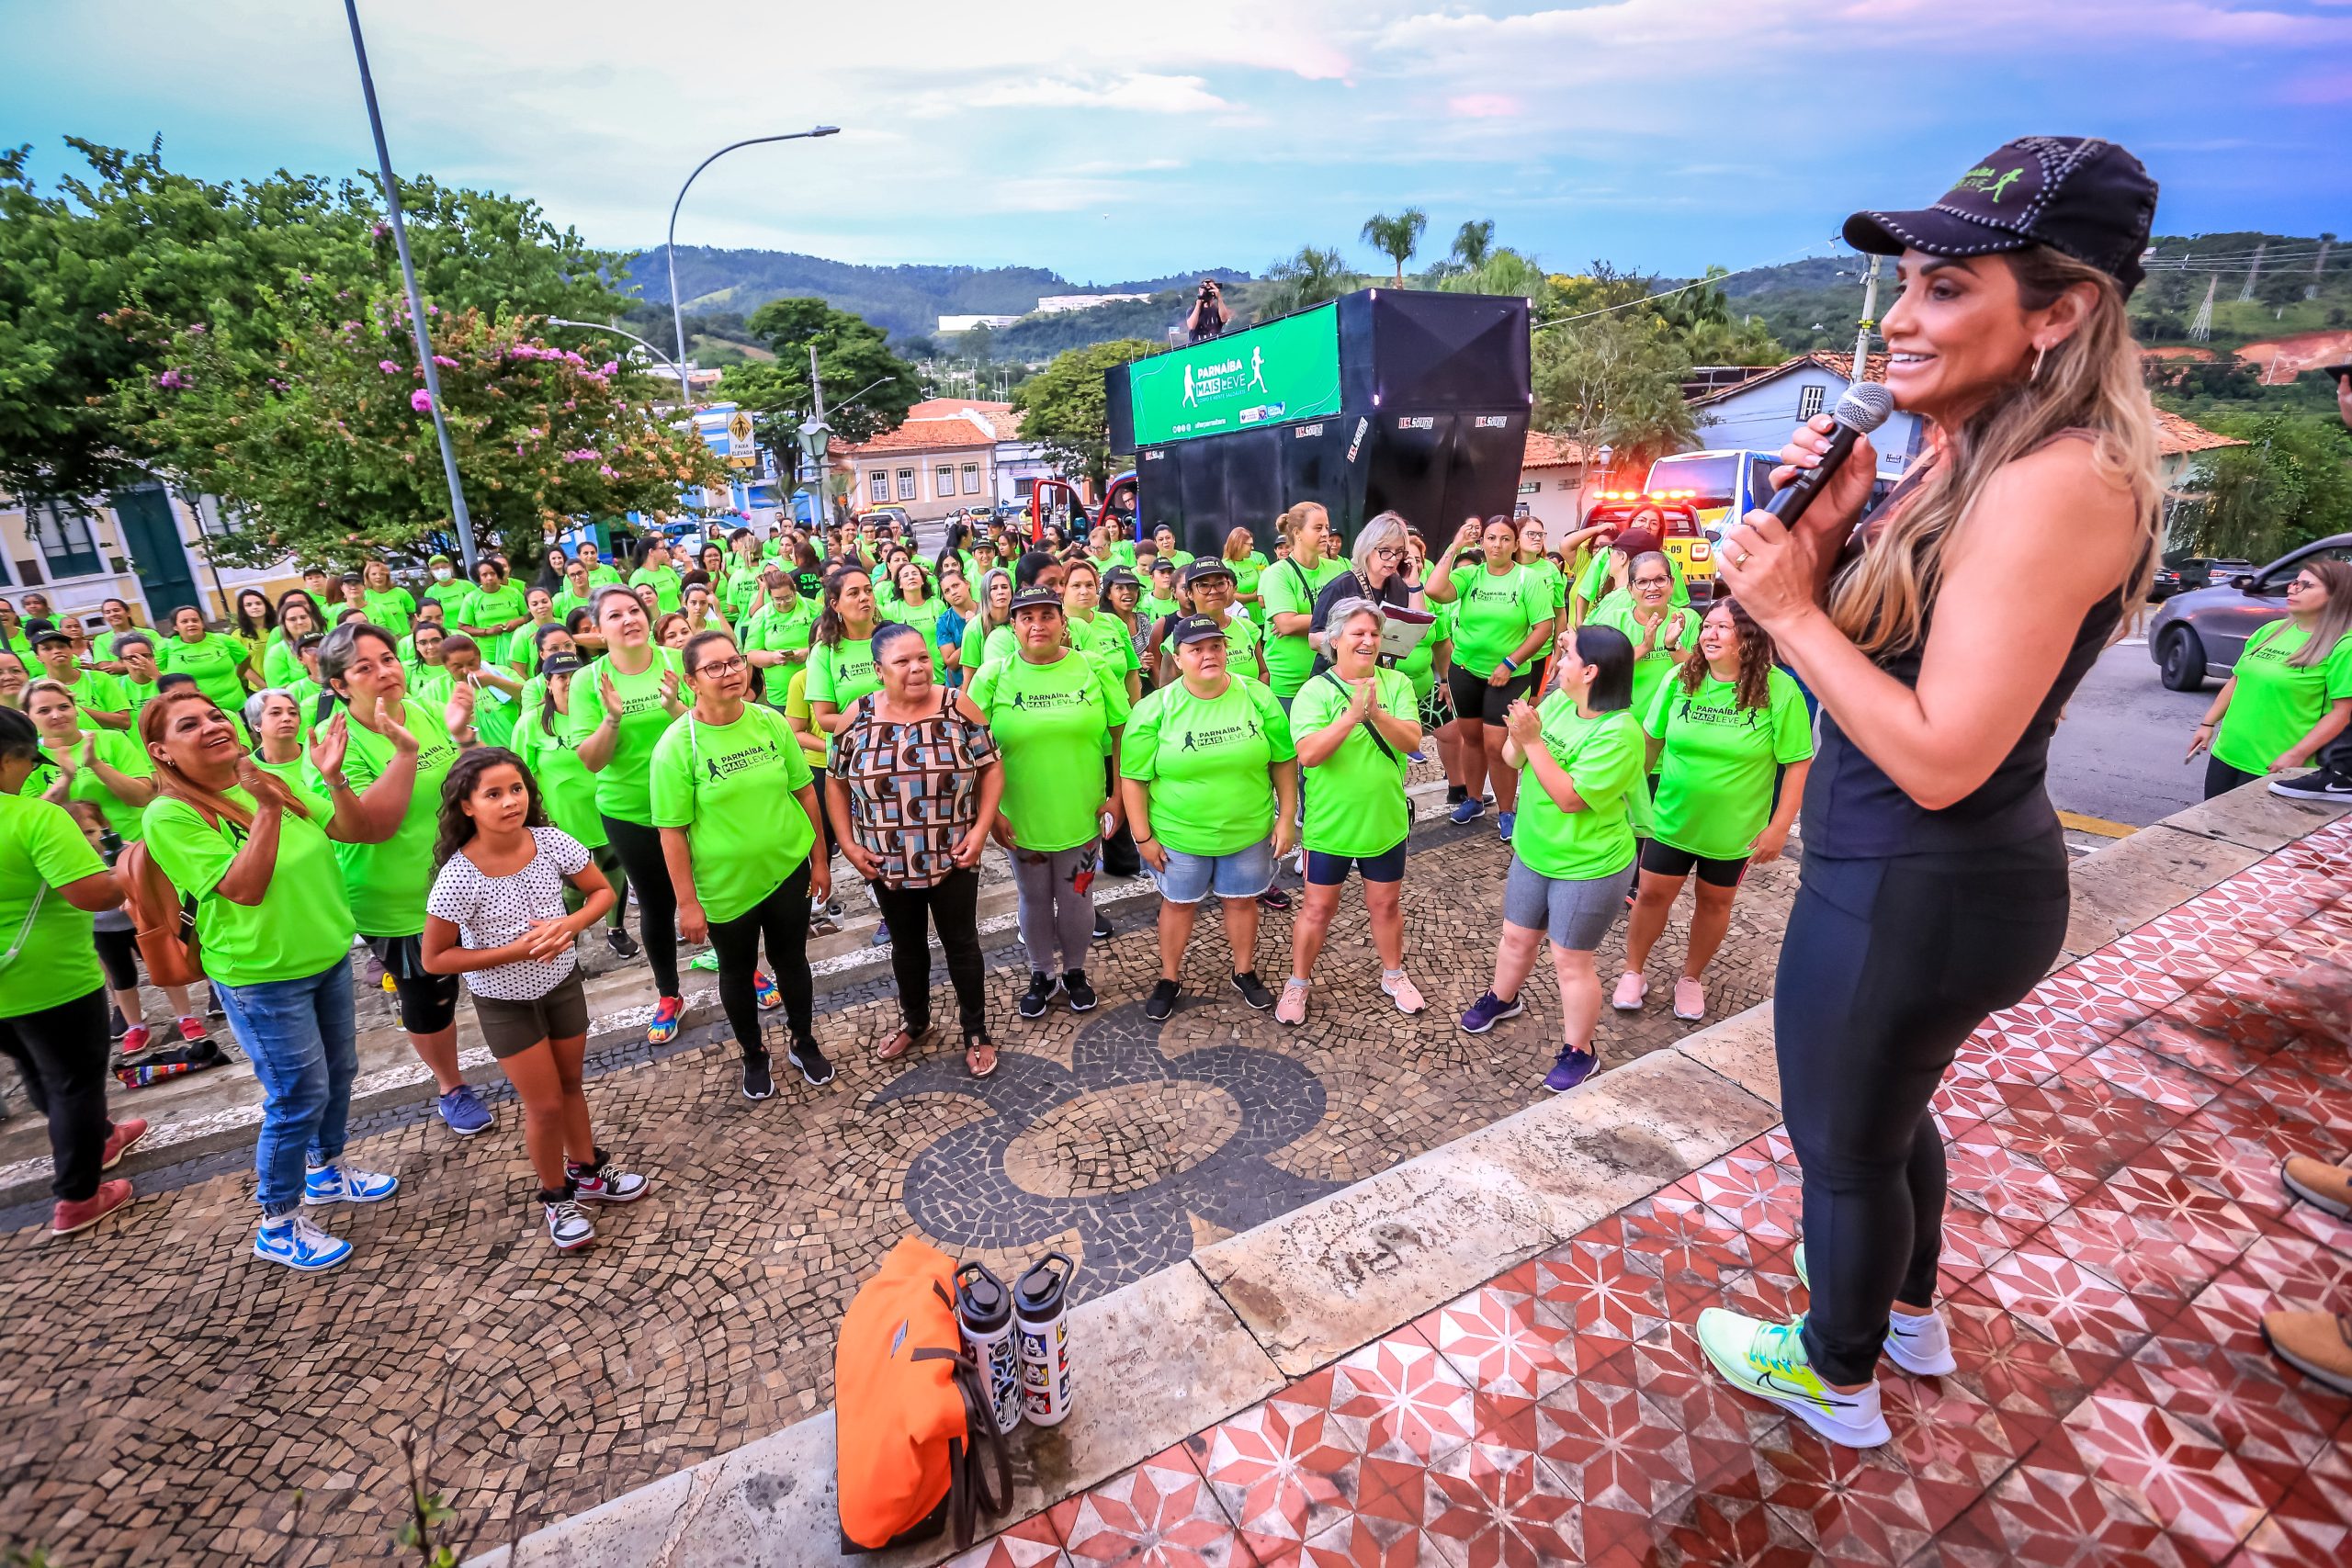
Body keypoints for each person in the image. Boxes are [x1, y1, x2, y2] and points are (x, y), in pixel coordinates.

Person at [1692, 138, 2166, 1450]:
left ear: (2060, 311)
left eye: (1948, 286)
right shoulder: (1968, 451)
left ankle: (1831, 1371)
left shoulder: (2057, 478)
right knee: (1889, 1116)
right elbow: (1903, 643)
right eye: (1906, 282)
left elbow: (1943, 749)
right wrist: (1835, 525)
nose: (1900, 317)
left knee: (1842, 1140)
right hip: (1918, 881)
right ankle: (1905, 1311)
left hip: (1918, 880)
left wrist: (1789, 610)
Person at [142, 688, 413, 1270]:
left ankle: (328, 1171)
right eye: (189, 725)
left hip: (325, 955)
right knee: (296, 1096)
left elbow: (355, 830)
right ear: (162, 751)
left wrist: (334, 779)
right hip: (259, 975)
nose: (212, 725)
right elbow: (243, 887)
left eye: (215, 715)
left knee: (339, 1072)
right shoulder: (170, 813)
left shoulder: (262, 777)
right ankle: (278, 1220)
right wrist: (265, 808)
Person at [422, 749, 648, 1250]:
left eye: (517, 789)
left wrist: (569, 924)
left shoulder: (549, 842)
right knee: (543, 1106)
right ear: (466, 806)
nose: (510, 802)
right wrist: (510, 951)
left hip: (562, 986)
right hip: (506, 1005)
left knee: (571, 1085)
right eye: (493, 794)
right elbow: (435, 959)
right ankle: (555, 1197)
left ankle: (588, 1170)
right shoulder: (458, 876)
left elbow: (602, 894)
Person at [310, 623, 493, 1136]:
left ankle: (522, 1059)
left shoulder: (425, 711)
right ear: (340, 686)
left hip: (467, 882)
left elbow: (459, 785)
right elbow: (372, 826)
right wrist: (405, 754)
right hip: (397, 901)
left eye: (388, 658)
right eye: (364, 667)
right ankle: (451, 1086)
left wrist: (460, 736)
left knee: (494, 974)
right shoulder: (334, 744)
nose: (385, 672)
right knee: (430, 998)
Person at [1457, 626, 1643, 1097]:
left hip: (1589, 865)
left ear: (1592, 672)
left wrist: (1534, 740)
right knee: (1516, 936)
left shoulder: (1621, 733)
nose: (1558, 664)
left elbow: (1569, 798)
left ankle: (1580, 1052)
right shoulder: (1560, 700)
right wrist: (1522, 734)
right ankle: (1503, 998)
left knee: (1570, 959)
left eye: (1568, 657)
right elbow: (1509, 757)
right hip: (1534, 848)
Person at [652, 631, 832, 1097]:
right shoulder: (677, 746)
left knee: (792, 959)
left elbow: (804, 791)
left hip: (787, 867)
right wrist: (686, 903)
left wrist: (819, 860)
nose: (730, 672)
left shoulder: (770, 723)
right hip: (726, 885)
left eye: (734, 662)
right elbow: (671, 831)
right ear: (691, 681)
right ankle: (754, 1053)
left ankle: (803, 1039)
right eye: (715, 667)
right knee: (736, 970)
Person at [1617, 599, 1813, 1022]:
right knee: (1651, 895)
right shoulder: (1680, 678)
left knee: (1714, 902)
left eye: (1722, 627)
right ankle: (1633, 971)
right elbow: (1650, 744)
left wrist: (1779, 828)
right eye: (1706, 626)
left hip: (1734, 829)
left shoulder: (1780, 690)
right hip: (1671, 818)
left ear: (1750, 636)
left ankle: (1690, 978)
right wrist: (1628, 799)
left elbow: (1797, 763)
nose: (1709, 634)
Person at [829, 622, 1005, 1075]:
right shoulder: (857, 716)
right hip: (885, 860)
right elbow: (835, 782)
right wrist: (848, 844)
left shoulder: (957, 706)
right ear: (878, 669)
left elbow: (992, 769)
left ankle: (975, 1031)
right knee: (906, 947)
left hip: (954, 855)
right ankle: (916, 1021)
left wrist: (980, 831)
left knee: (962, 944)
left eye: (923, 658)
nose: (917, 668)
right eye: (902, 661)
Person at [0, 707, 145, 1237]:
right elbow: (92, 894)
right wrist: (119, 873)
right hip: (51, 978)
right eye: (24, 762)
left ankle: (102, 1136)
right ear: (6, 760)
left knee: (37, 1072)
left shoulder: (32, 814)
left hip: (6, 995)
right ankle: (78, 1196)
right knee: (74, 1084)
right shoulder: (34, 818)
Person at [1121, 615, 1297, 1021]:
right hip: (1179, 836)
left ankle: (1244, 970)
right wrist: (1143, 837)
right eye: (1195, 649)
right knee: (1179, 905)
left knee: (1241, 901)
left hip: (1248, 831)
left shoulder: (1257, 696)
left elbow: (1284, 762)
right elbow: (1133, 779)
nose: (1208, 655)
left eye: (1215, 646)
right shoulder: (1155, 709)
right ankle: (1169, 977)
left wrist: (1286, 817)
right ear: (1177, 658)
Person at [968, 588, 1130, 1020]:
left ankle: (1075, 972)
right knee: (1034, 897)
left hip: (1082, 809)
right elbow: (970, 744)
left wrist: (1117, 795)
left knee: (1077, 895)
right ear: (1014, 625)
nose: (1037, 624)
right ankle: (1041, 974)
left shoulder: (1092, 667)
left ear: (1063, 621)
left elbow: (1121, 733)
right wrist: (993, 812)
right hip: (1022, 816)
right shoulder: (994, 675)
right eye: (1026, 617)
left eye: (1046, 615)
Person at [1280, 599, 1425, 1025]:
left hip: (1386, 822)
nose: (1367, 641)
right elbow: (1308, 754)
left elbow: (1413, 741)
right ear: (1335, 640)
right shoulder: (1316, 691)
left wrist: (1376, 712)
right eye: (1358, 633)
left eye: (1374, 634)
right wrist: (1351, 717)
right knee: (1316, 909)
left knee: (1386, 905)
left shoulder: (1395, 683)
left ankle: (1394, 974)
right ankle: (1298, 982)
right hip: (1331, 826)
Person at [568, 585, 696, 1040]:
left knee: (715, 891)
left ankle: (741, 969)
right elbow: (591, 760)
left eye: (635, 610)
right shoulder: (588, 681)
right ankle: (668, 993)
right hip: (628, 810)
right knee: (657, 903)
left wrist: (676, 706)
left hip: (693, 802)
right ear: (599, 631)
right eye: (615, 615)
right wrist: (612, 718)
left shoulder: (678, 660)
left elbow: (713, 725)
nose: (628, 620)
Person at [1427, 515, 1555, 837]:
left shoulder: (1529, 580)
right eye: (1490, 538)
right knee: (1471, 739)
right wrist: (1456, 544)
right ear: (1481, 542)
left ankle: (1507, 811)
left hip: (1510, 675)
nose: (1497, 545)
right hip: (1465, 670)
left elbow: (1544, 628)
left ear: (1515, 545)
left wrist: (1510, 663)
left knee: (1497, 743)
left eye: (1505, 539)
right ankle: (1473, 799)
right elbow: (1434, 589)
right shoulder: (1470, 574)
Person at [2188, 558, 2350, 798]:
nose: (2293, 588)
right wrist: (2207, 724)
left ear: (2336, 596)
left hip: (2278, 765)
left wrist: (2296, 754)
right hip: (2227, 753)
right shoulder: (2270, 630)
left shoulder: (2343, 645)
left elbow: (2343, 713)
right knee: (2210, 830)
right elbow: (2237, 679)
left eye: (2307, 585)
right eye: (2295, 582)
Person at [1591, 551, 1702, 737]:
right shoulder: (1613, 621)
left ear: (1672, 583)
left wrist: (1673, 645)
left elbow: (1699, 677)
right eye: (1642, 582)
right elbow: (1597, 674)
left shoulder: (1687, 620)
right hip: (1620, 732)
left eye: (1660, 579)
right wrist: (1644, 647)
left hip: (1672, 734)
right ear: (1630, 590)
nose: (1652, 588)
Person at [1306, 510, 1419, 675]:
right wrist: (1353, 643)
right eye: (1385, 550)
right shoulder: (1340, 587)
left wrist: (1414, 585)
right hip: (1336, 679)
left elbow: (1416, 628)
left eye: (1400, 551)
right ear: (1368, 548)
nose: (1394, 558)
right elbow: (1314, 639)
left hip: (1376, 674)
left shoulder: (1398, 585)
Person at [160, 606, 258, 714]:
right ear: (176, 627)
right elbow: (155, 673)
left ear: (202, 623)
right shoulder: (166, 647)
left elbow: (245, 658)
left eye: (195, 620)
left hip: (235, 707)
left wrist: (238, 676)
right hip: (195, 712)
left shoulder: (222, 640)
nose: (191, 624)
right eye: (184, 621)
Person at [32, 628, 131, 729]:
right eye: (47, 648)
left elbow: (125, 722)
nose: (57, 651)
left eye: (61, 646)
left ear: (71, 651)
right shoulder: (34, 688)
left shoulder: (99, 678)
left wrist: (75, 709)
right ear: (38, 657)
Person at [460, 558, 530, 643]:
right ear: (478, 578)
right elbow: (463, 627)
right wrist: (487, 631)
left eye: (493, 573)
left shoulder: (514, 592)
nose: (489, 578)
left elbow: (530, 615)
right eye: (484, 575)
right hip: (488, 650)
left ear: (499, 575)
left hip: (517, 644)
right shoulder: (471, 598)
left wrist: (518, 621)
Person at [266, 592, 326, 688]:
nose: (300, 622)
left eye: (303, 617)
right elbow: (279, 691)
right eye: (292, 619)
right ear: (284, 624)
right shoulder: (276, 652)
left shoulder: (327, 641)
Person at [361, 560, 419, 633]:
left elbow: (417, 615)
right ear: (367, 577)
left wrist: (412, 634)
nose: (378, 577)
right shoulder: (364, 595)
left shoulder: (401, 592)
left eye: (382, 574)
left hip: (404, 640)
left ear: (387, 576)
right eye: (374, 574)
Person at [630, 538, 684, 615]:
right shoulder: (638, 577)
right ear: (651, 552)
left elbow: (681, 596)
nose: (665, 551)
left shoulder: (668, 571)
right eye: (662, 548)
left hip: (676, 620)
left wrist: (681, 615)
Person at [230, 589, 278, 668]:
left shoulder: (279, 630)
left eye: (258, 603)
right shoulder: (238, 636)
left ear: (266, 606)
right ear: (243, 609)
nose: (255, 607)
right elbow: (242, 666)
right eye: (249, 605)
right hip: (257, 680)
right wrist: (261, 681)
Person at [1223, 527, 1270, 610]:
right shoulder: (1225, 566)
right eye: (1250, 545)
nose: (1252, 548)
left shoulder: (1251, 563)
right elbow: (1228, 595)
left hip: (1260, 617)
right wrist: (1253, 596)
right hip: (1240, 617)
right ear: (1238, 544)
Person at [1185, 277, 1229, 344]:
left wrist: (1219, 298)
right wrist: (1199, 300)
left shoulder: (1218, 310)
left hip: (1214, 346)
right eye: (1205, 289)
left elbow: (1224, 319)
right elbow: (1191, 326)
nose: (1207, 292)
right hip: (1197, 347)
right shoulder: (1192, 310)